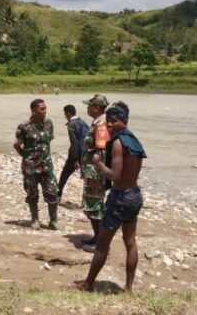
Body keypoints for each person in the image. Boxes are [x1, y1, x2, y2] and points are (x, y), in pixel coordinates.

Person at [75, 101, 147, 293]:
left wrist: (98, 163)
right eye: (107, 121)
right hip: (135, 195)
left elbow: (114, 175)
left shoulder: (117, 142)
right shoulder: (134, 140)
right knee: (130, 242)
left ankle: (88, 284)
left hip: (120, 197)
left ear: (123, 120)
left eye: (112, 121)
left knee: (102, 245)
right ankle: (129, 288)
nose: (108, 125)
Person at [14, 99, 60, 230]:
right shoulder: (24, 126)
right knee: (32, 194)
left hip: (47, 166)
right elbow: (17, 145)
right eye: (42, 109)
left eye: (45, 108)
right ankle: (35, 220)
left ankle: (53, 220)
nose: (45, 111)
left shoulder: (49, 124)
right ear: (33, 111)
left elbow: (48, 142)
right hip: (31, 168)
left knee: (52, 192)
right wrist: (27, 158)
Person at [79, 94, 110, 252]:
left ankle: (100, 243)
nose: (87, 108)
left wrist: (94, 175)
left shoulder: (101, 124)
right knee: (92, 204)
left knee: (95, 206)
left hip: (95, 174)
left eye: (89, 105)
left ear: (96, 108)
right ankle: (97, 237)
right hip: (92, 171)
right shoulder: (98, 122)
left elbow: (101, 151)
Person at [57, 105, 88, 199]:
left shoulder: (72, 124)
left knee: (65, 173)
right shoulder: (83, 122)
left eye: (65, 113)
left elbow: (74, 143)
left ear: (68, 113)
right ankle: (88, 199)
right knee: (87, 176)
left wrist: (75, 159)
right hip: (86, 152)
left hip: (76, 153)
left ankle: (58, 194)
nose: (65, 116)